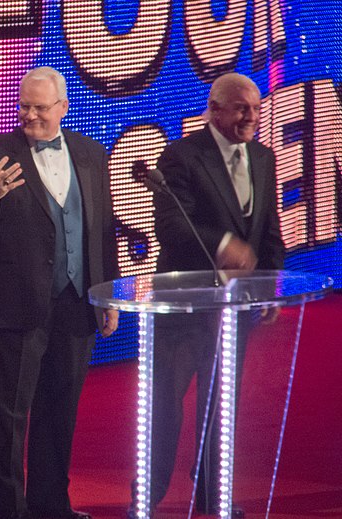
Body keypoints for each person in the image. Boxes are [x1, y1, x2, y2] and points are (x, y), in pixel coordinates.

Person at [0, 66, 120, 519]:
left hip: (76, 303)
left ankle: (51, 504)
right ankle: (8, 509)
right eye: (24, 106)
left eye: (40, 107)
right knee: (8, 414)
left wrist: (105, 293)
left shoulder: (91, 154)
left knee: (60, 410)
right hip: (14, 305)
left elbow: (101, 230)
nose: (30, 115)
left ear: (63, 108)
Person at [147, 72, 285, 517]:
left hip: (235, 310)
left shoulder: (263, 158)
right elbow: (170, 227)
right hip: (185, 307)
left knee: (220, 404)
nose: (252, 116)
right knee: (165, 405)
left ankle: (211, 494)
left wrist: (270, 285)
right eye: (242, 108)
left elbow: (268, 231)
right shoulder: (182, 156)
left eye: (257, 108)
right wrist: (225, 244)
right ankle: (146, 495)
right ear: (216, 108)